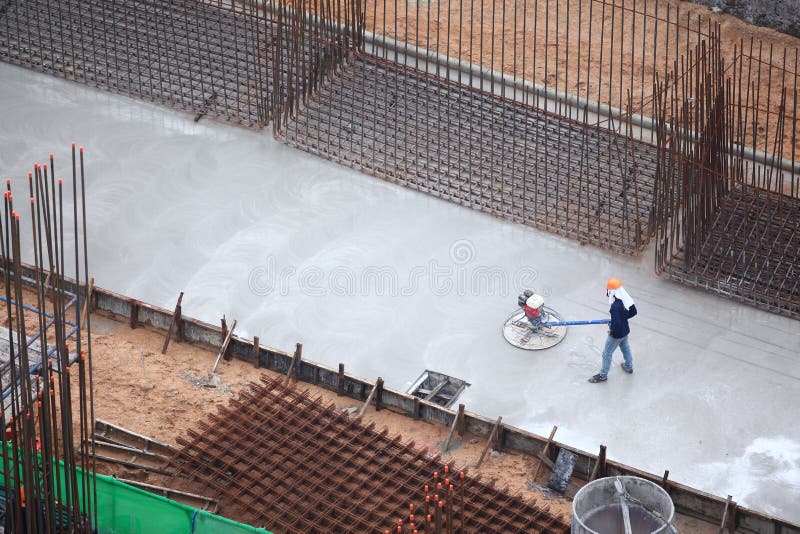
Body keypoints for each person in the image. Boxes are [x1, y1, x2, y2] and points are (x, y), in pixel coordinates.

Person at [588, 278, 637, 383]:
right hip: (625, 330)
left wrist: (612, 331)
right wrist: (621, 318)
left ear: (611, 291)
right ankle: (629, 366)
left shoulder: (615, 306)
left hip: (617, 334)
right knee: (625, 348)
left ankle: (603, 375)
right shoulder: (625, 299)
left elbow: (617, 324)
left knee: (607, 353)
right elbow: (633, 312)